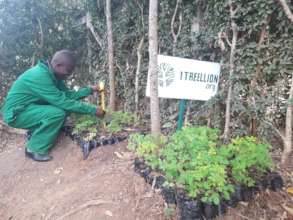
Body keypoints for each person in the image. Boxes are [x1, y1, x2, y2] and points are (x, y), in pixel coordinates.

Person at [1, 49, 105, 162]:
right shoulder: (40, 76)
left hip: (29, 108)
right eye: (68, 71)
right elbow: (64, 102)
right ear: (57, 65)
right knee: (57, 113)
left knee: (62, 109)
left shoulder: (54, 75)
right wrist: (93, 110)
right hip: (16, 113)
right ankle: (34, 149)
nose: (68, 75)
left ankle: (35, 132)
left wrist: (90, 90)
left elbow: (68, 96)